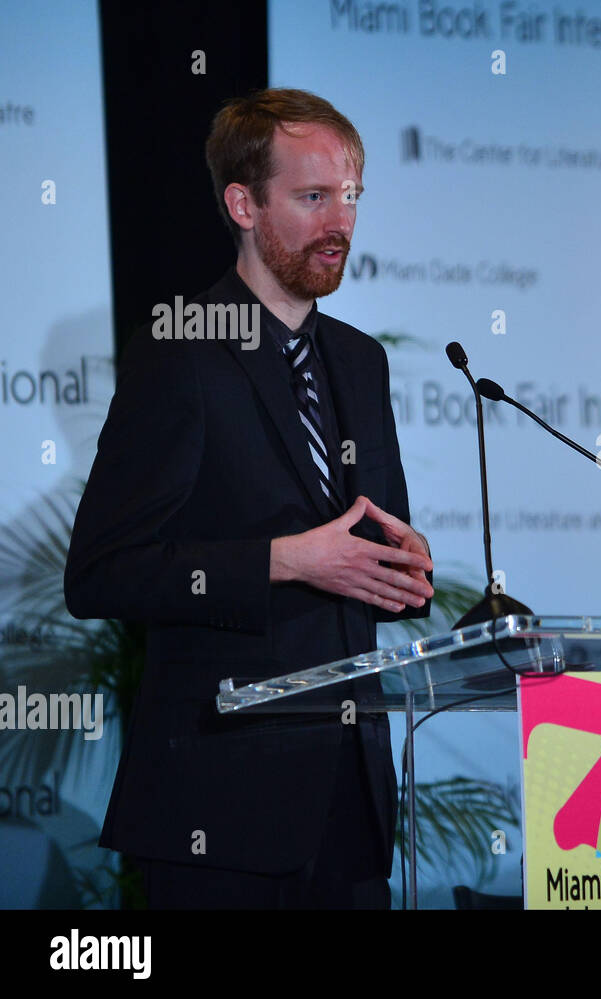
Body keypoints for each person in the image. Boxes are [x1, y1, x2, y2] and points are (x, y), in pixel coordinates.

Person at [64, 89, 435, 908]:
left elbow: (371, 548)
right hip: (220, 809)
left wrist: (405, 574)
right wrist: (283, 561)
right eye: (313, 198)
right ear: (243, 203)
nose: (341, 221)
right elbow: (101, 572)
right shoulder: (178, 352)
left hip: (353, 809)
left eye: (351, 196)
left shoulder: (360, 362)